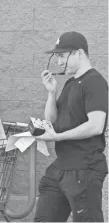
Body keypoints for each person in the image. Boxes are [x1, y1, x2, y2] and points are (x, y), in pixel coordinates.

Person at [34, 31, 108, 222]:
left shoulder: (95, 82)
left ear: (79, 53)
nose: (58, 62)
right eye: (57, 56)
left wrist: (57, 137)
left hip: (85, 168)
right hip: (61, 167)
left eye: (62, 56)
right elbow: (51, 121)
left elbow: (96, 126)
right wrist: (51, 93)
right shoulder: (70, 83)